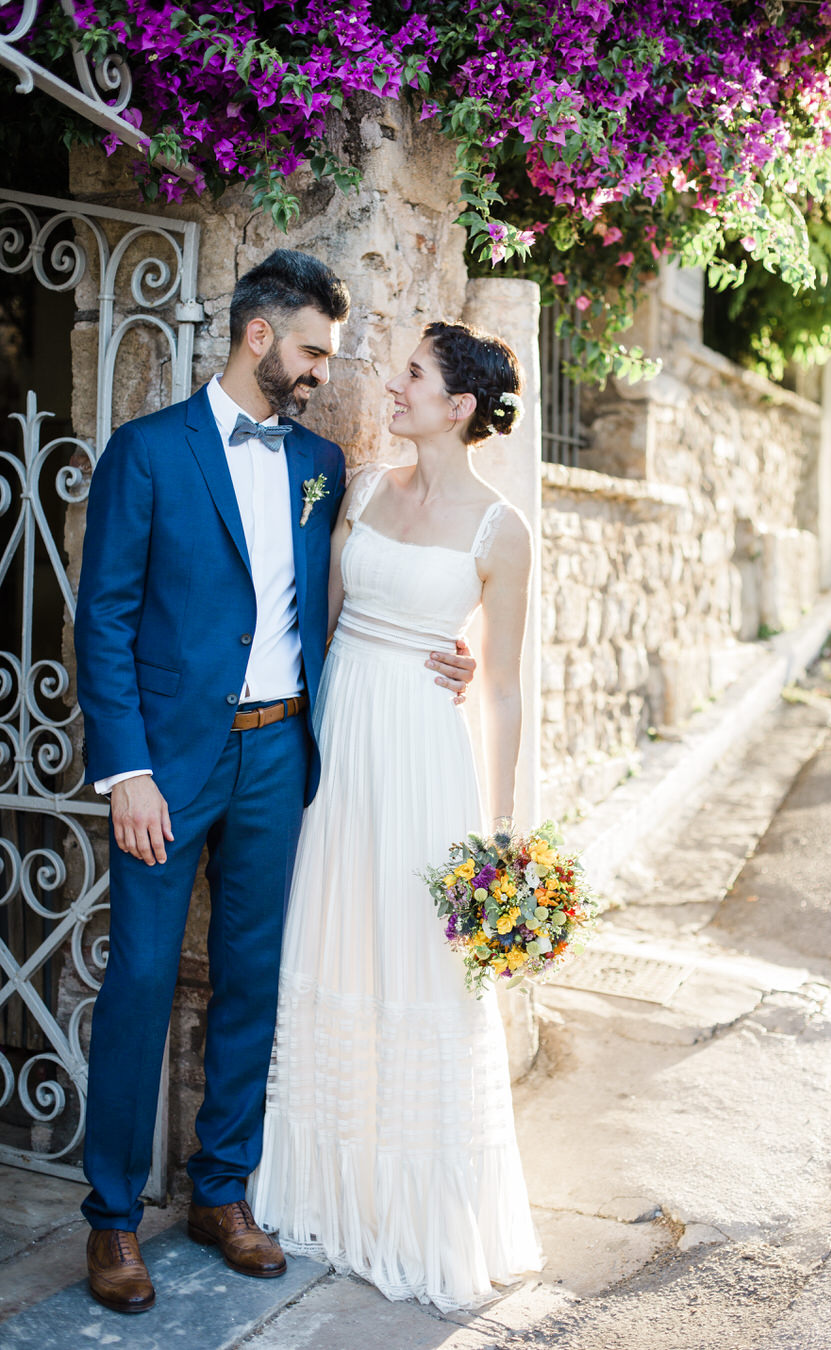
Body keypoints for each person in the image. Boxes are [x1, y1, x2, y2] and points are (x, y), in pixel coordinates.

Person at [73, 253, 474, 1315]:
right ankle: (112, 1221)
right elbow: (103, 620)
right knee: (144, 983)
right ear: (259, 337)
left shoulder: (322, 463)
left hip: (279, 757)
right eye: (309, 352)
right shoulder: (147, 453)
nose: (320, 374)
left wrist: (452, 653)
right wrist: (128, 770)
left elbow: (369, 593)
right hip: (165, 766)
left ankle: (221, 1193)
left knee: (255, 979)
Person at [249, 321, 543, 1311]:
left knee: (417, 965)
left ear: (459, 407)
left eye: (413, 375)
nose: (394, 385)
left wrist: (498, 839)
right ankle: (332, 1191)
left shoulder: (503, 531)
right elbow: (318, 620)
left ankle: (417, 1211)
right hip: (342, 742)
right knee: (333, 945)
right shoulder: (366, 487)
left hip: (424, 756)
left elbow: (498, 688)